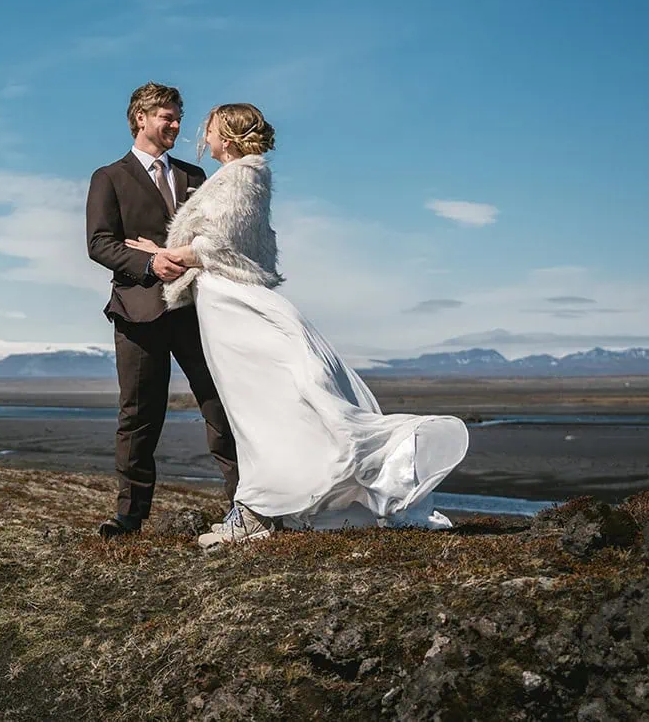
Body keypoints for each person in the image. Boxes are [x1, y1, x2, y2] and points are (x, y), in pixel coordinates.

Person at [125, 103, 469, 547]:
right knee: (253, 404)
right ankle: (265, 505)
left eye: (208, 129)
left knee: (258, 404)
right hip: (221, 304)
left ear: (226, 136)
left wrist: (162, 255)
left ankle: (258, 510)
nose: (202, 136)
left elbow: (219, 245)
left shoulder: (241, 177)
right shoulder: (236, 176)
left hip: (234, 304)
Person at [85, 82, 239, 540]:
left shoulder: (195, 175)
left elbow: (214, 234)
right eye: (167, 117)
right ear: (141, 118)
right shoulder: (108, 177)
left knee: (220, 406)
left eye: (178, 117)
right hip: (137, 313)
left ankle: (246, 506)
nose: (175, 124)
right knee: (139, 417)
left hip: (194, 310)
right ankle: (129, 518)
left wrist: (180, 256)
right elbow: (99, 243)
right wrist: (149, 264)